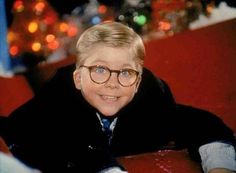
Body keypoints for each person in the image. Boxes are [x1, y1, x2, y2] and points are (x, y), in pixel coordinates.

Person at [0, 21, 236, 173]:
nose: (112, 83)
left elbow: (203, 124)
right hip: (26, 136)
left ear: (137, 81)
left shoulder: (151, 101)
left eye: (125, 72)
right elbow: (72, 148)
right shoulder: (58, 100)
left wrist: (220, 163)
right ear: (78, 78)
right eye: (100, 70)